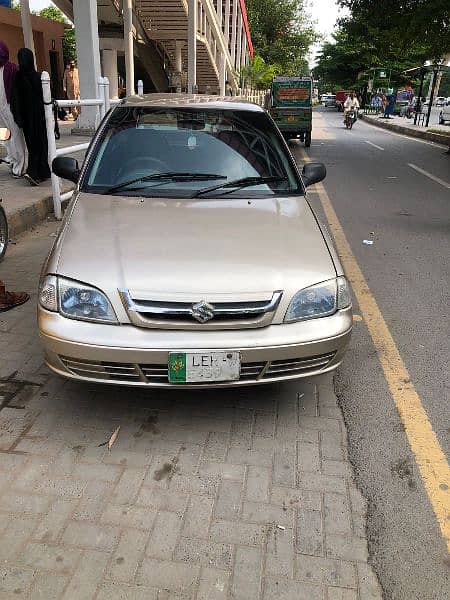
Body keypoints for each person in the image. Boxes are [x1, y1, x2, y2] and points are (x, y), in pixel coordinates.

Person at [10, 48, 51, 186]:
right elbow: (15, 99)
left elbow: (14, 99)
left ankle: (42, 172)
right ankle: (33, 172)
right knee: (37, 145)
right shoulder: (28, 77)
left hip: (33, 119)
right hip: (34, 118)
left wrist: (18, 117)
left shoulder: (26, 77)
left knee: (37, 144)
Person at [0, 42, 25, 178]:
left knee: (16, 136)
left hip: (10, 108)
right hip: (0, 110)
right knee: (5, 137)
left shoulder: (11, 68)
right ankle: (11, 160)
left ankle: (19, 167)